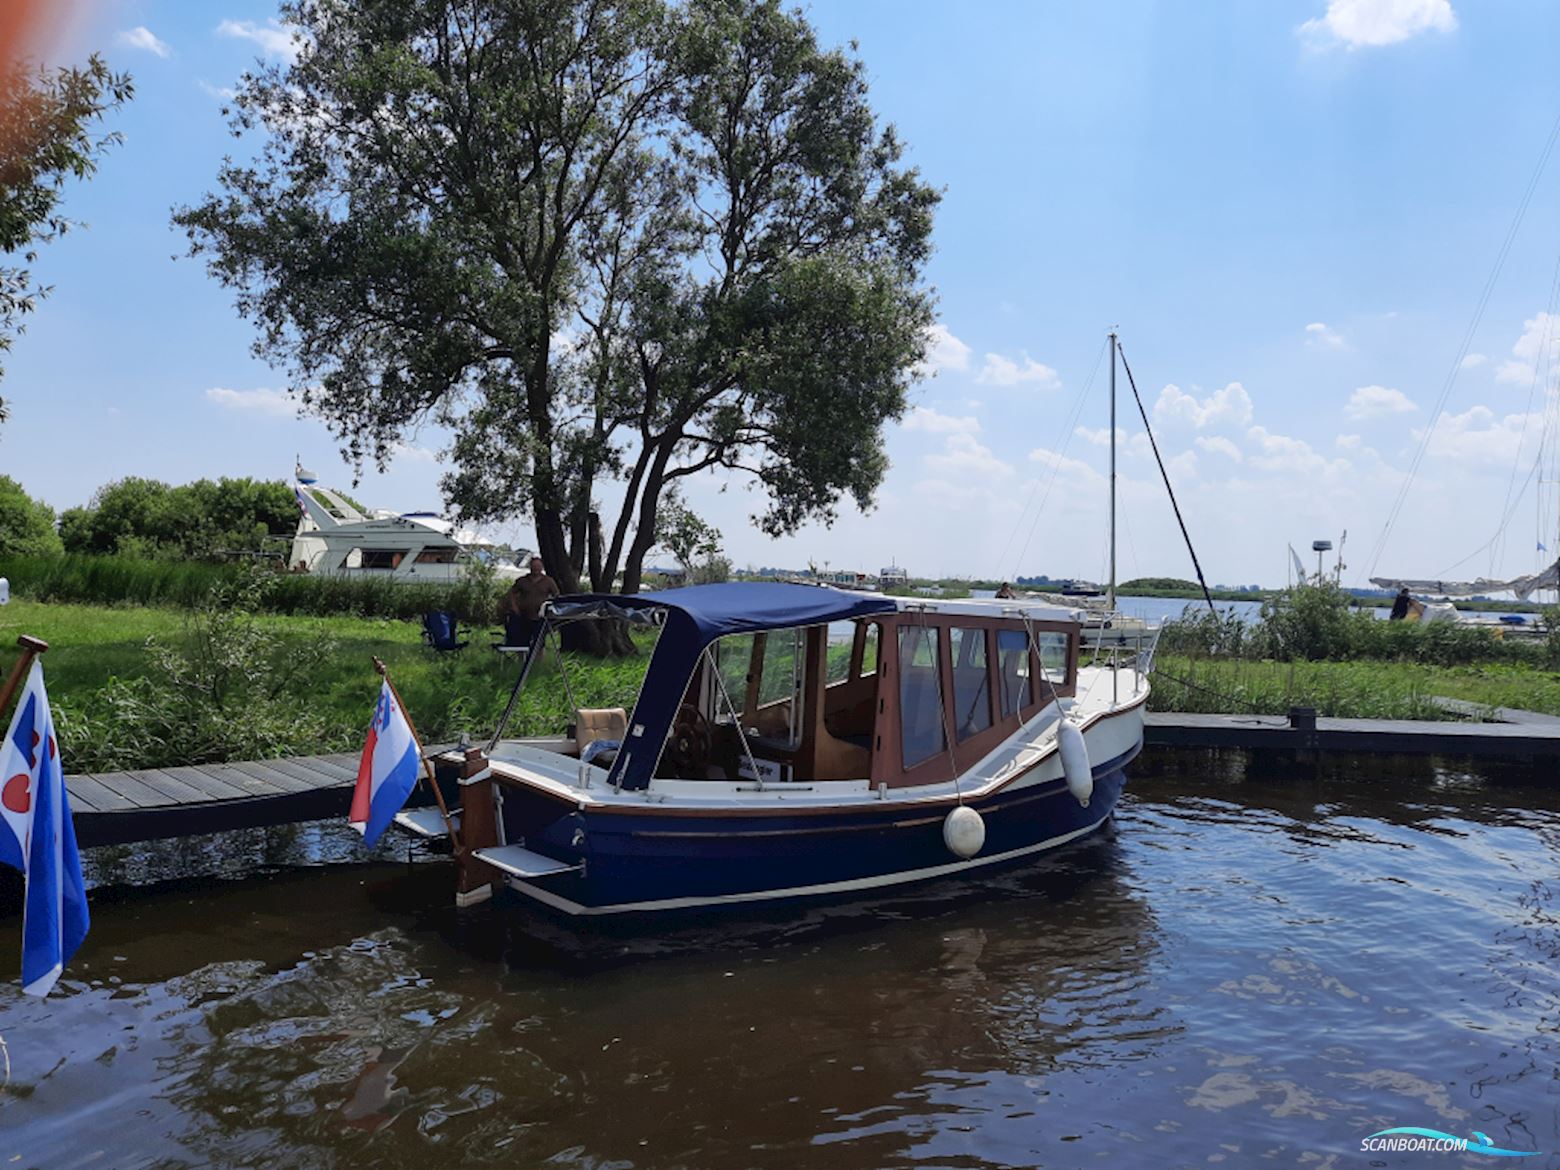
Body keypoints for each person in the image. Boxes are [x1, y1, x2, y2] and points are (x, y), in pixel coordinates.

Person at [503, 556, 560, 647]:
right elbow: (511, 593)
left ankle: (538, 660)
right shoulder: (522, 580)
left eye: (538, 566)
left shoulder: (548, 581)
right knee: (521, 640)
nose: (536, 568)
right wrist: (514, 606)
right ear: (530, 567)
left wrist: (550, 612)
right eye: (534, 566)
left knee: (539, 642)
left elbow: (556, 596)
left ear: (542, 567)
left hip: (540, 617)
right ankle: (522, 659)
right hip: (523, 615)